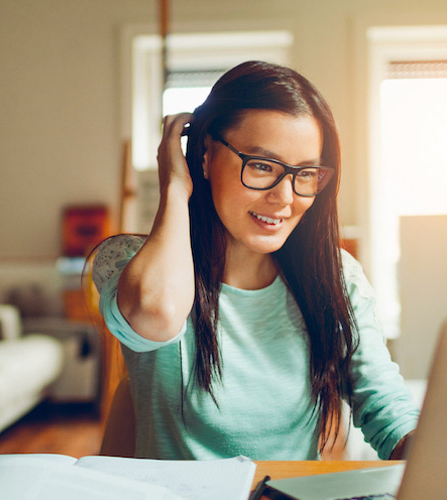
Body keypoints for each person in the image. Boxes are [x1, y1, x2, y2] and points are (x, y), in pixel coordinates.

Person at [92, 60, 418, 461]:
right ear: (207, 155)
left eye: (305, 173)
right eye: (262, 166)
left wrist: (439, 453)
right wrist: (176, 186)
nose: (285, 197)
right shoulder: (127, 262)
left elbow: (386, 408)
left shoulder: (335, 277)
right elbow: (155, 313)